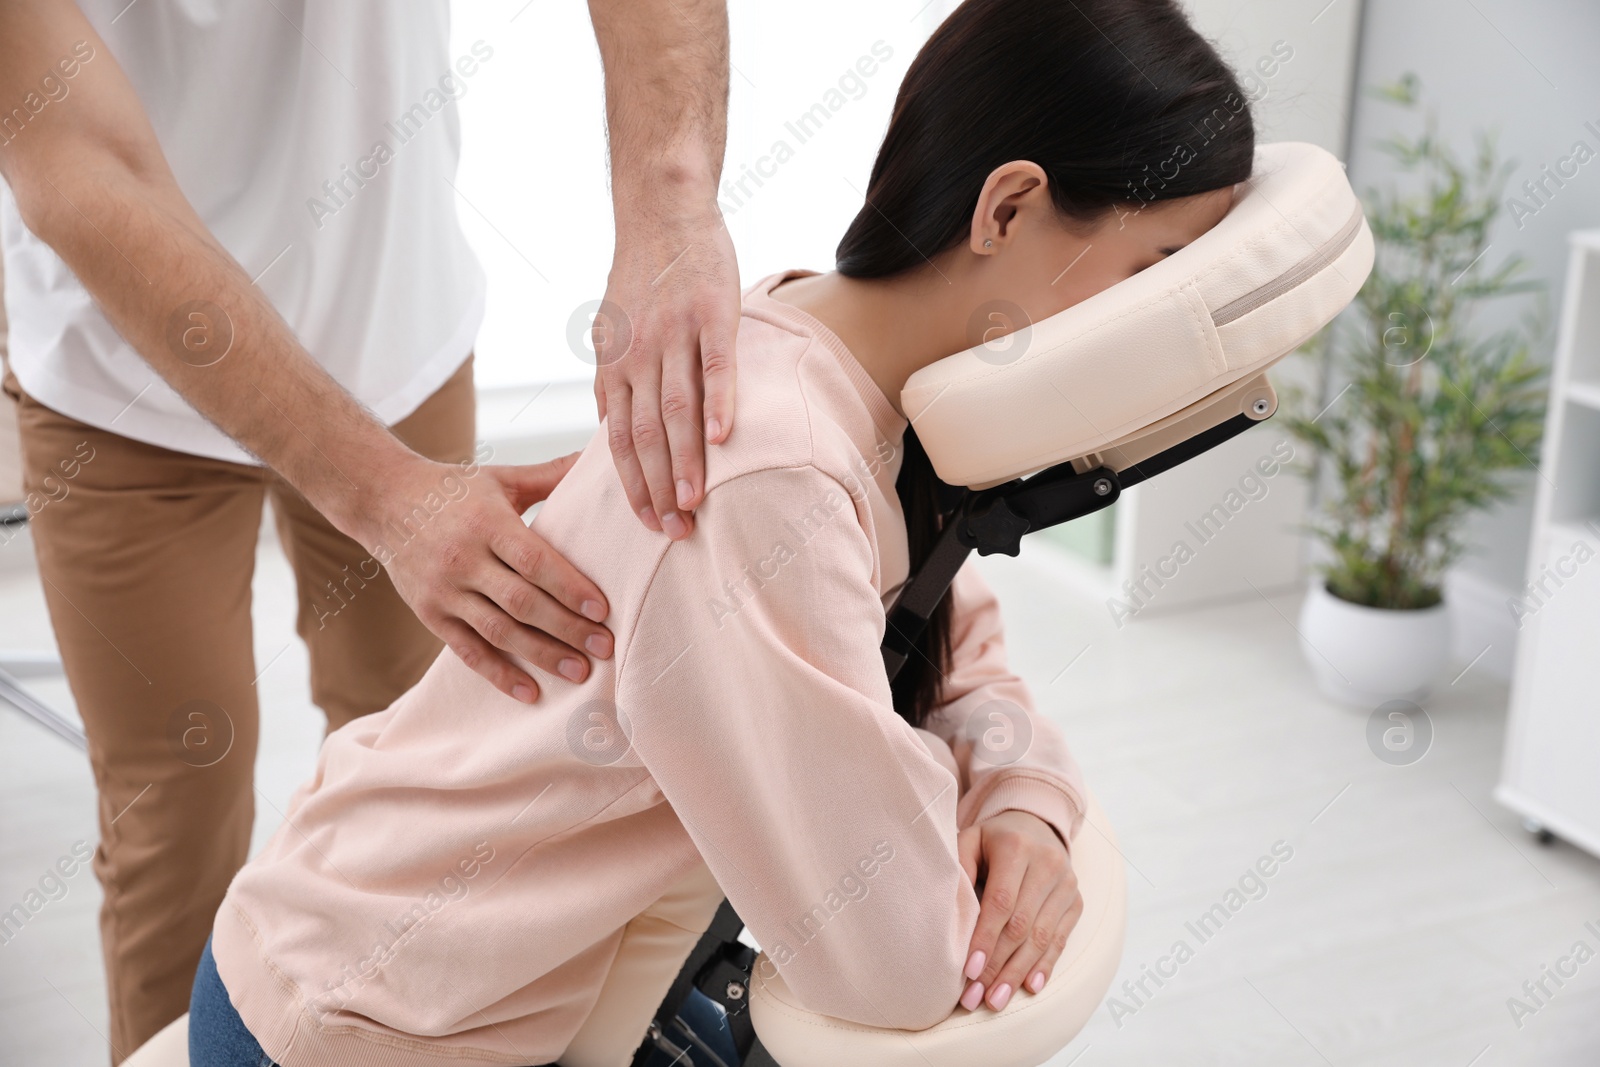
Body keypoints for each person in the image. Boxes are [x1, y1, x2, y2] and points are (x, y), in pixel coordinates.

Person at [187, 1, 1256, 1064]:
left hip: (455, 971)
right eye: (1150, 269)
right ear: (1009, 208)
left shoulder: (849, 370)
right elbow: (896, 957)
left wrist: (1022, 802)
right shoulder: (771, 472)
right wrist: (972, 803)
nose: (1150, 322)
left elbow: (950, 651)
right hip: (360, 1018)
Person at [0, 0, 737, 1061]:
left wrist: (671, 201)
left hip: (391, 328)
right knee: (174, 822)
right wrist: (388, 498)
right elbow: (82, 161)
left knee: (435, 789)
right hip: (119, 385)